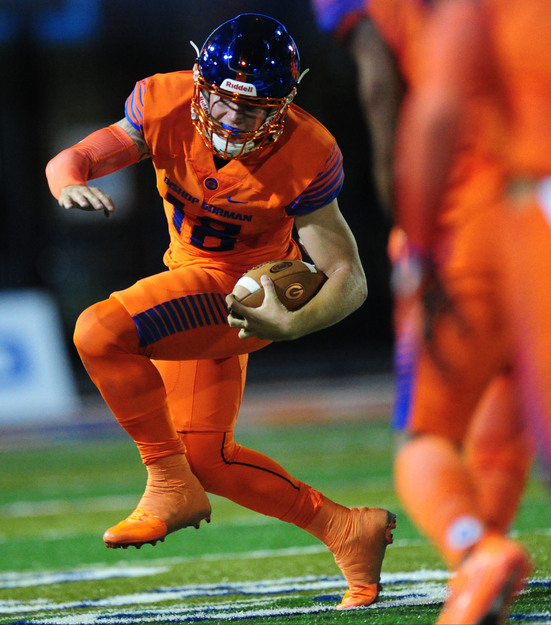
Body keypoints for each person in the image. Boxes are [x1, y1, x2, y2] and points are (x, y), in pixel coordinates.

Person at [45, 13, 396, 611]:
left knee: (99, 331)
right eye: (225, 102)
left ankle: (166, 481)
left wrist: (291, 324)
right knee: (210, 457)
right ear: (201, 84)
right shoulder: (165, 100)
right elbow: (76, 157)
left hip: (241, 299)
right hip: (188, 280)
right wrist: (66, 183)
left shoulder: (307, 151)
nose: (235, 120)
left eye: (256, 108)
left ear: (284, 102)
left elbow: (350, 277)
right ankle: (346, 529)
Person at [396, 0, 551, 621]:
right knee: (505, 438)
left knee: (430, 435)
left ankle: (474, 549)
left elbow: (434, 109)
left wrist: (415, 250)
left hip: (537, 214)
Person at [311, 1, 533, 621]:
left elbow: (389, 89)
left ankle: (473, 550)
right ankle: (484, 563)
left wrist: (414, 225)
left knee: (424, 434)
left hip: (475, 208)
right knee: (515, 408)